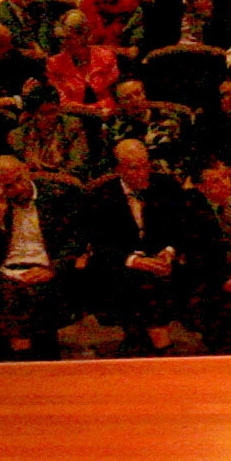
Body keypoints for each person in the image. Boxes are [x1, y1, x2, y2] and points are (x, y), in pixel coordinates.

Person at [76, 136, 200, 353]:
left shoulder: (167, 186)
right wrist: (135, 261)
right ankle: (162, 344)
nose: (142, 173)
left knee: (156, 279)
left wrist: (169, 251)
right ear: (119, 169)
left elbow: (185, 227)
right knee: (141, 280)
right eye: (134, 168)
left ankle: (145, 342)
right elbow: (99, 243)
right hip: (122, 265)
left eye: (146, 166)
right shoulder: (100, 196)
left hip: (164, 262)